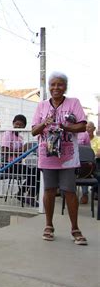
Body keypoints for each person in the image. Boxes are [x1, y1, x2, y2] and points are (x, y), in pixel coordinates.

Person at [31, 71, 88, 245]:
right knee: (49, 190)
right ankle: (48, 226)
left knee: (70, 191)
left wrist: (66, 127)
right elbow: (34, 131)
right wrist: (45, 123)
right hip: (47, 155)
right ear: (49, 87)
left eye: (60, 84)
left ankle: (75, 229)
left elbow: (83, 126)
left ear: (65, 87)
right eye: (53, 85)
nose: (56, 88)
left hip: (68, 156)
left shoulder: (73, 103)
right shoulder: (41, 106)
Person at [1, 114, 39, 206]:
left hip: (17, 164)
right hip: (8, 165)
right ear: (13, 123)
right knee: (34, 171)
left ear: (24, 126)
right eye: (16, 124)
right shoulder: (8, 134)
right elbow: (4, 151)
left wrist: (26, 150)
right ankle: (26, 195)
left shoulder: (20, 138)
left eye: (21, 125)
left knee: (38, 170)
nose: (18, 126)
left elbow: (21, 155)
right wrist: (20, 151)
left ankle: (25, 194)